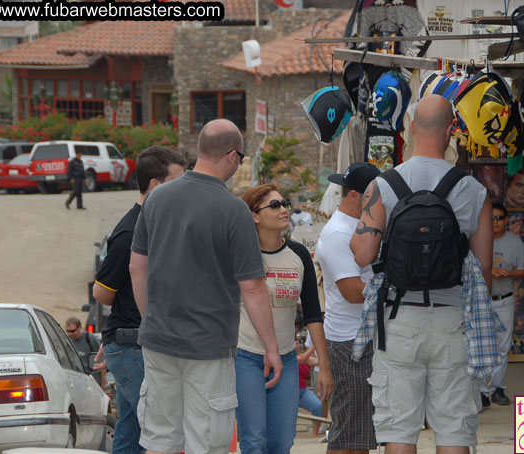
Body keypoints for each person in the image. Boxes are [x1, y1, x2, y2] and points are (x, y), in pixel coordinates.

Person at [129, 119, 283, 454]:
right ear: (231, 155)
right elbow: (253, 288)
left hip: (158, 342)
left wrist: (151, 319)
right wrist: (271, 347)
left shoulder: (156, 199)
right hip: (208, 347)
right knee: (208, 444)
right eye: (240, 158)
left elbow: (136, 267)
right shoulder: (233, 211)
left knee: (160, 440)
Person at [350, 95, 493, 454]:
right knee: (454, 428)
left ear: (410, 128)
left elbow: (364, 255)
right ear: (451, 132)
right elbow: (484, 268)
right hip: (452, 321)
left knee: (399, 428)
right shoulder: (474, 190)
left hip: (399, 321)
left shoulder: (382, 186)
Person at [92, 146, 187, 454]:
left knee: (132, 428)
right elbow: (101, 292)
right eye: (179, 181)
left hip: (136, 342)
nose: (185, 189)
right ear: (156, 185)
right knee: (159, 425)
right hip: (133, 345)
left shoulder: (158, 224)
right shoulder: (131, 231)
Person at [236, 184, 332, 453]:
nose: (284, 209)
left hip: (287, 356)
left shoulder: (299, 254)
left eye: (285, 203)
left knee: (282, 441)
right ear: (254, 216)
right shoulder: (240, 254)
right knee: (254, 441)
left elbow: (313, 313)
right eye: (275, 205)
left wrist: (324, 366)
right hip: (245, 356)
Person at [315, 162, 380, 454]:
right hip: (348, 340)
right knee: (347, 432)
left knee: (361, 431)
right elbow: (353, 292)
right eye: (376, 195)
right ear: (356, 195)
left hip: (360, 336)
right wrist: (392, 290)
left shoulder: (355, 226)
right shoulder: (338, 233)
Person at [481, 203, 524, 408]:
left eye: (500, 218)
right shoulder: (478, 239)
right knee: (481, 346)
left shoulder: (515, 243)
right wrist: (489, 271)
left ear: (506, 220)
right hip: (482, 300)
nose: (495, 222)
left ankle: (497, 388)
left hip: (504, 299)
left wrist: (507, 273)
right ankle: (481, 391)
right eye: (492, 218)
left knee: (502, 346)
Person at [65, 317, 104, 385]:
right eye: (67, 331)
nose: (69, 334)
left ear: (79, 327)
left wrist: (104, 381)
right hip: (77, 379)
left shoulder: (90, 339)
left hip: (93, 379)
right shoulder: (68, 341)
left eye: (72, 331)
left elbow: (101, 359)